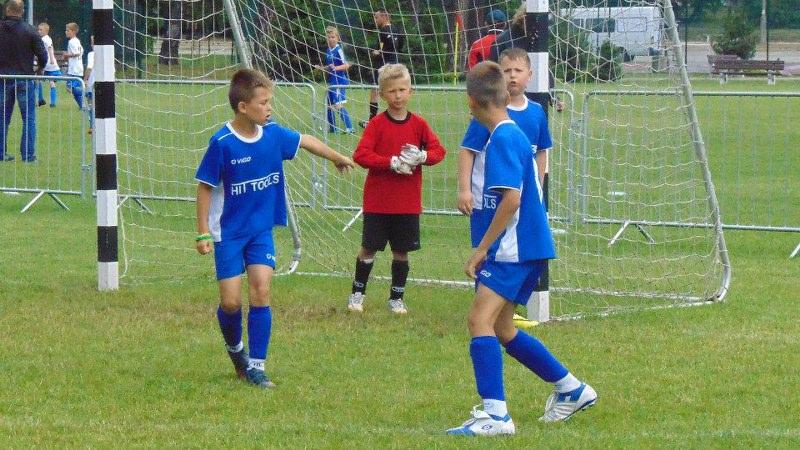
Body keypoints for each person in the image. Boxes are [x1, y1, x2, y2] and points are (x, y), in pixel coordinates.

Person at [446, 61, 596, 436]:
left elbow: (511, 200)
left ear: (471, 101)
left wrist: (482, 248)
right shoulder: (510, 133)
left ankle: (496, 417)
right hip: (529, 245)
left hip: (513, 248)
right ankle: (571, 389)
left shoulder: (501, 139)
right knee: (502, 327)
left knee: (479, 321)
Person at [195, 68, 354, 388]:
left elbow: (306, 140)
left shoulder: (273, 135)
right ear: (243, 107)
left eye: (270, 102)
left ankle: (257, 366)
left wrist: (336, 156)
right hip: (228, 233)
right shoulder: (223, 143)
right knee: (231, 303)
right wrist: (202, 232)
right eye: (264, 103)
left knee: (261, 290)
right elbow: (204, 187)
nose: (270, 108)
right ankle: (235, 350)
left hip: (260, 230)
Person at [347, 63, 446, 314]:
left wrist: (422, 156)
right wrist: (390, 162)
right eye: (392, 91)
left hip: (407, 203)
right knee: (369, 247)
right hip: (378, 202)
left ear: (410, 91)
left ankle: (396, 298)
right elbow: (360, 155)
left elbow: (439, 151)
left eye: (402, 90)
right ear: (382, 95)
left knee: (401, 251)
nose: (398, 95)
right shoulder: (377, 124)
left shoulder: (419, 124)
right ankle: (357, 293)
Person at [458, 47, 551, 226]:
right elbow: (467, 150)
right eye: (507, 71)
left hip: (522, 198)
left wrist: (537, 187)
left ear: (530, 75)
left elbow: (541, 151)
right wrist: (464, 190)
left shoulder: (537, 112)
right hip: (487, 199)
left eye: (518, 70)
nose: (512, 75)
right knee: (489, 241)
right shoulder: (488, 112)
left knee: (518, 241)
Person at [489, 4, 564, 112]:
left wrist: (554, 99)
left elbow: (543, 71)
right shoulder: (503, 40)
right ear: (523, 18)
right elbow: (491, 72)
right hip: (506, 100)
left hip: (533, 99)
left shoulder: (537, 40)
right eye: (535, 22)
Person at [0, 0, 48, 162]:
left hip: (3, 79)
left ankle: (1, 153)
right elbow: (43, 56)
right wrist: (39, 70)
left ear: (7, 10)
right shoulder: (30, 30)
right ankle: (28, 155)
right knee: (28, 119)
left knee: (2, 118)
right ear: (22, 11)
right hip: (24, 78)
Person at [358, 9, 404, 129]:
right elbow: (400, 47)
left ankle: (372, 122)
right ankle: (397, 119)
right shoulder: (397, 30)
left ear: (384, 17)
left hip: (382, 66)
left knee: (375, 91)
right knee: (394, 92)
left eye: (376, 17)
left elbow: (379, 51)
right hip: (395, 65)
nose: (375, 20)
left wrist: (374, 53)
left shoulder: (382, 31)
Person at [315, 26, 353, 133]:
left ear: (337, 38)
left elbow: (346, 65)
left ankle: (350, 128)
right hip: (332, 81)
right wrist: (322, 68)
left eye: (333, 37)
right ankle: (333, 128)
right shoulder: (328, 50)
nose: (331, 39)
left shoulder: (338, 50)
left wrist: (336, 68)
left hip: (339, 81)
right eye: (329, 37)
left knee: (337, 104)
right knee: (328, 104)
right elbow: (330, 66)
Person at [36, 22, 61, 108]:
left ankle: (40, 99)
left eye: (41, 30)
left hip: (48, 63)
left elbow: (50, 48)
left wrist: (51, 59)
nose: (39, 31)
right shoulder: (47, 38)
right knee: (51, 83)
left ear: (46, 31)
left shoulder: (44, 39)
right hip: (50, 64)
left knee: (37, 80)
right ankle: (52, 103)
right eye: (38, 29)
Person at [63, 22, 84, 109]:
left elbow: (77, 53)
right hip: (78, 68)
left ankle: (86, 96)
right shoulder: (77, 40)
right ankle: (82, 105)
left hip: (74, 69)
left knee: (71, 88)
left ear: (73, 31)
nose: (66, 32)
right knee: (72, 89)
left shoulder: (72, 42)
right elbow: (81, 51)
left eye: (68, 30)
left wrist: (67, 55)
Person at [84, 36, 95, 134]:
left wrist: (85, 79)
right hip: (105, 84)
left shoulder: (92, 54)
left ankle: (92, 126)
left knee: (91, 105)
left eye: (92, 42)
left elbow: (89, 68)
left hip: (92, 84)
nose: (91, 45)